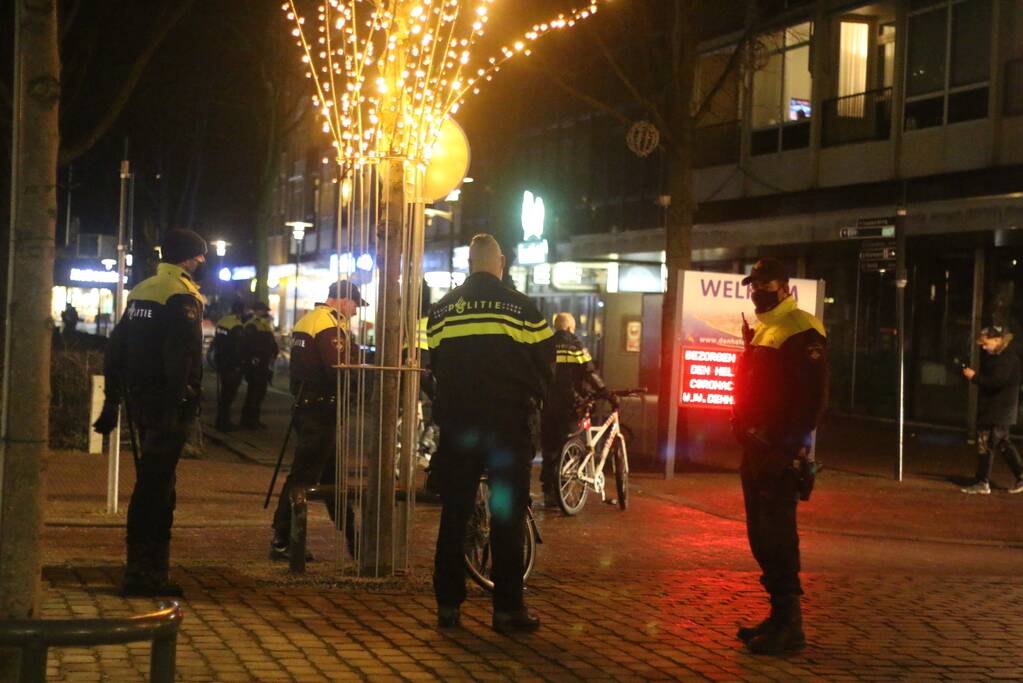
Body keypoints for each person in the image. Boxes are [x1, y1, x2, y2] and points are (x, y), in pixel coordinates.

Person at [427, 233, 555, 634]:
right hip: (506, 428)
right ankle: (507, 610)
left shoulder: (442, 310)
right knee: (506, 516)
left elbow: (436, 366)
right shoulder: (523, 308)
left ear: (469, 262)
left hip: (460, 428)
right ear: (500, 263)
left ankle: (448, 606)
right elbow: (545, 366)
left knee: (455, 513)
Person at [92, 228, 207, 597]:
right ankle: (144, 575)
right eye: (199, 255)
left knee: (154, 483)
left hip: (141, 400)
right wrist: (181, 400)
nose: (203, 261)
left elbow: (116, 347)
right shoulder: (180, 295)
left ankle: (147, 570)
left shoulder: (142, 290)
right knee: (157, 488)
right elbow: (181, 354)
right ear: (187, 258)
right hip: (168, 404)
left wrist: (112, 399)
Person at [732, 257, 828, 655]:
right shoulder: (766, 327)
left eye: (764, 285)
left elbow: (810, 400)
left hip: (777, 451)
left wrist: (788, 448)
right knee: (760, 535)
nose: (756, 291)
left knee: (778, 535)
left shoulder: (802, 327)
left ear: (784, 287)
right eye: (753, 285)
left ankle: (791, 625)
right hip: (755, 448)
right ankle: (777, 616)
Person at [269, 281, 364, 560]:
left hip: (309, 408)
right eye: (355, 304)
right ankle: (283, 538)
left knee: (330, 478)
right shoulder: (328, 324)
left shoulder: (307, 319)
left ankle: (354, 540)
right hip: (321, 411)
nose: (356, 311)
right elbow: (338, 370)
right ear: (344, 300)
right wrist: (358, 389)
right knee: (305, 476)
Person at [540, 312, 614, 507]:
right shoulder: (576, 346)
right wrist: (605, 392)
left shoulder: (545, 346)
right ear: (571, 328)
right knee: (571, 443)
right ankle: (563, 487)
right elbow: (589, 373)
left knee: (549, 448)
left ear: (555, 327)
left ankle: (548, 491)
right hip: (571, 405)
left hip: (547, 406)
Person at [961, 326, 1023, 495]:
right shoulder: (1005, 357)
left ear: (997, 340)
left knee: (986, 443)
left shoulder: (1006, 358)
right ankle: (1020, 475)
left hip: (998, 410)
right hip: (1001, 410)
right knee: (1003, 444)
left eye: (986, 343)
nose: (983, 346)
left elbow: (997, 382)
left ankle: (983, 481)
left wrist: (974, 377)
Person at [240, 301, 279, 429]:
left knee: (260, 392)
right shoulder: (252, 325)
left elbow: (271, 343)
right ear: (256, 311)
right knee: (254, 392)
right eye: (263, 311)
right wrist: (252, 360)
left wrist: (273, 353)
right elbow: (249, 346)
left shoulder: (265, 325)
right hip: (255, 364)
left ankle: (254, 419)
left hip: (264, 363)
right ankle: (248, 420)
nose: (265, 313)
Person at [212, 300, 246, 431]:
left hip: (221, 360)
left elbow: (217, 341)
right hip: (232, 364)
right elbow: (238, 347)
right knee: (229, 394)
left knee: (224, 392)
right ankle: (224, 422)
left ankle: (220, 420)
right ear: (241, 311)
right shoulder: (236, 324)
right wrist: (239, 363)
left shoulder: (222, 321)